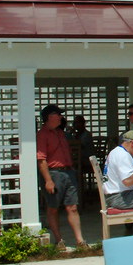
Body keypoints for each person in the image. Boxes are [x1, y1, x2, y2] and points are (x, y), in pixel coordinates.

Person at [36, 104, 86, 248]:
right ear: (49, 117)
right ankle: (59, 240)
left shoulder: (60, 132)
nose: (61, 117)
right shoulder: (42, 134)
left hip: (68, 172)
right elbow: (41, 159)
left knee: (72, 206)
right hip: (54, 173)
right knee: (53, 207)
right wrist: (48, 180)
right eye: (58, 114)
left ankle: (80, 240)